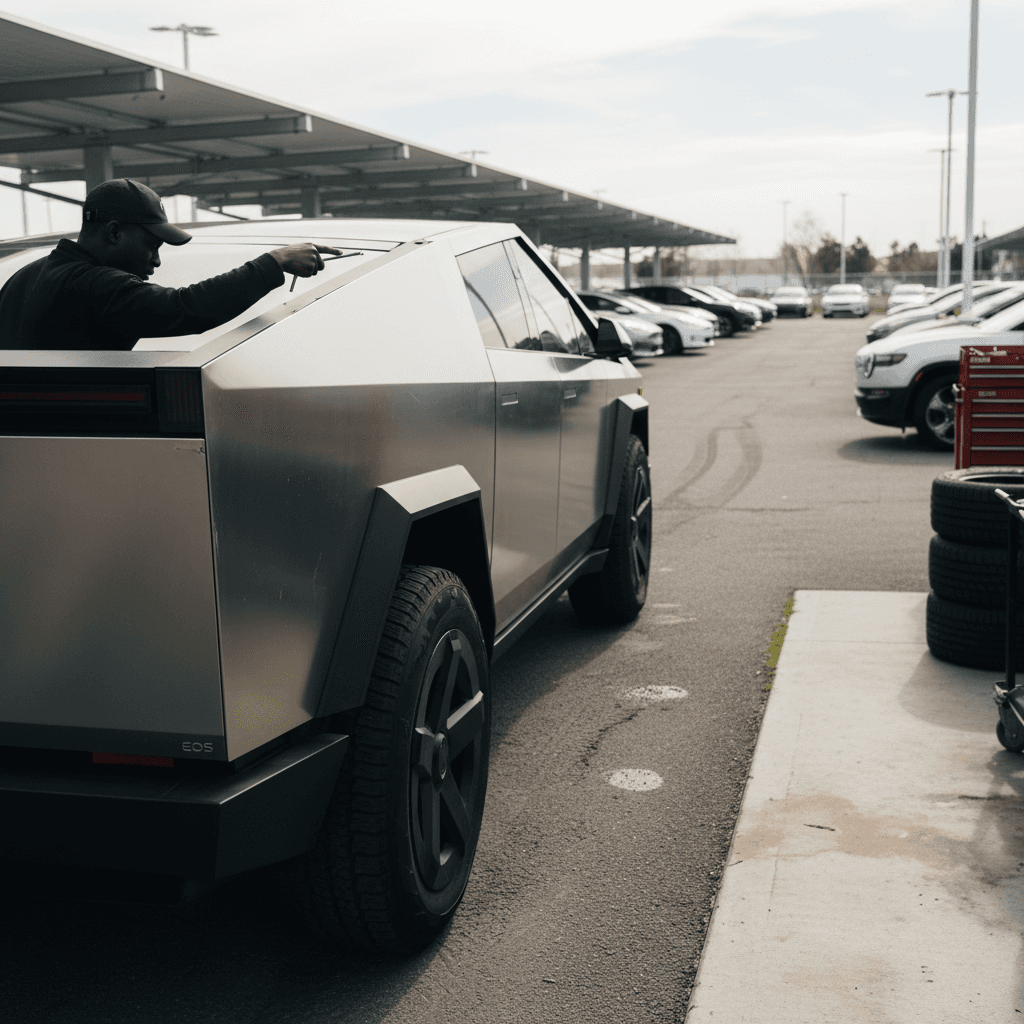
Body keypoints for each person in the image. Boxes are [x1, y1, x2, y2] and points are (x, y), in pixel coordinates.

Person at [0, 178, 341, 350]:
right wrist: (273, 262)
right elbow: (186, 308)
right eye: (151, 244)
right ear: (115, 232)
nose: (157, 260)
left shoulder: (24, 277)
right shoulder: (95, 285)